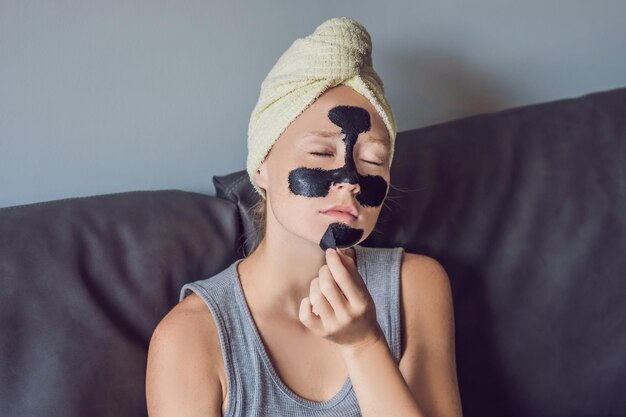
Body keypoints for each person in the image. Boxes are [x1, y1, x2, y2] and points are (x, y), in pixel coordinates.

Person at [146, 17, 463, 417]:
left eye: (372, 160)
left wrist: (364, 346)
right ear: (261, 166)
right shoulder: (189, 338)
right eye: (320, 153)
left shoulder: (415, 286)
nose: (350, 181)